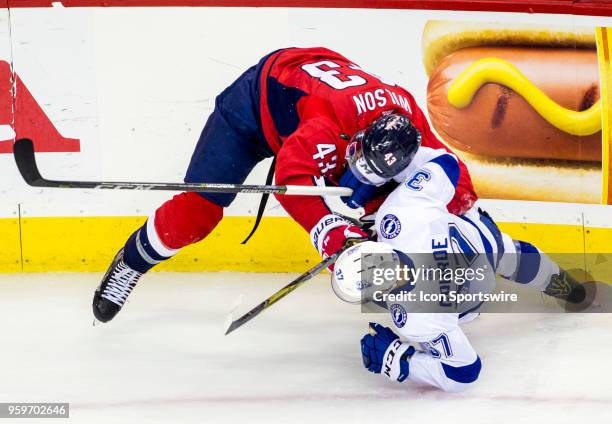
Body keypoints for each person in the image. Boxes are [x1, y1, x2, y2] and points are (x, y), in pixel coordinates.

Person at [92, 47, 477, 323]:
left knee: (390, 206)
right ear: (354, 141)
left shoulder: (411, 125)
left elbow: (453, 173)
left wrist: (471, 214)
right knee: (197, 213)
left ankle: (414, 293)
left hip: (311, 96)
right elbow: (292, 177)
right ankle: (131, 263)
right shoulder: (328, 126)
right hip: (254, 107)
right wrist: (330, 232)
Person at [331, 145, 588, 392]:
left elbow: (464, 373)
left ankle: (567, 288)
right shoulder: (400, 213)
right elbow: (447, 163)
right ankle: (570, 289)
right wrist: (389, 172)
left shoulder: (415, 319)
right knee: (515, 257)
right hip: (488, 242)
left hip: (469, 306)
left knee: (488, 280)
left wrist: (401, 361)